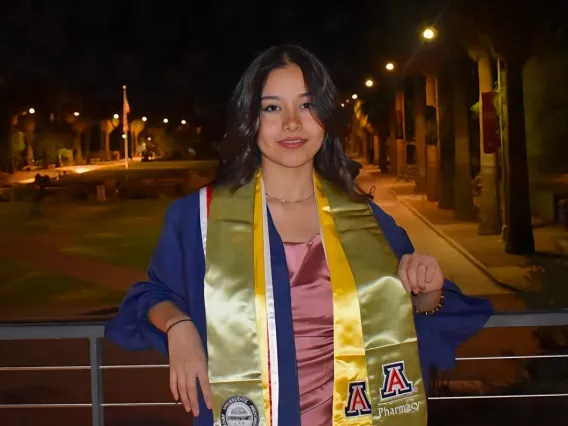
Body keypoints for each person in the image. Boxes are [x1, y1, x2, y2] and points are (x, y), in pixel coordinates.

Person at [105, 45, 493, 426]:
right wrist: (178, 326)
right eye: (272, 107)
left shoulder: (365, 218)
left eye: (306, 105)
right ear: (250, 119)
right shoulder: (199, 217)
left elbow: (419, 313)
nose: (292, 123)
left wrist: (427, 288)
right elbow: (151, 295)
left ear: (325, 116)